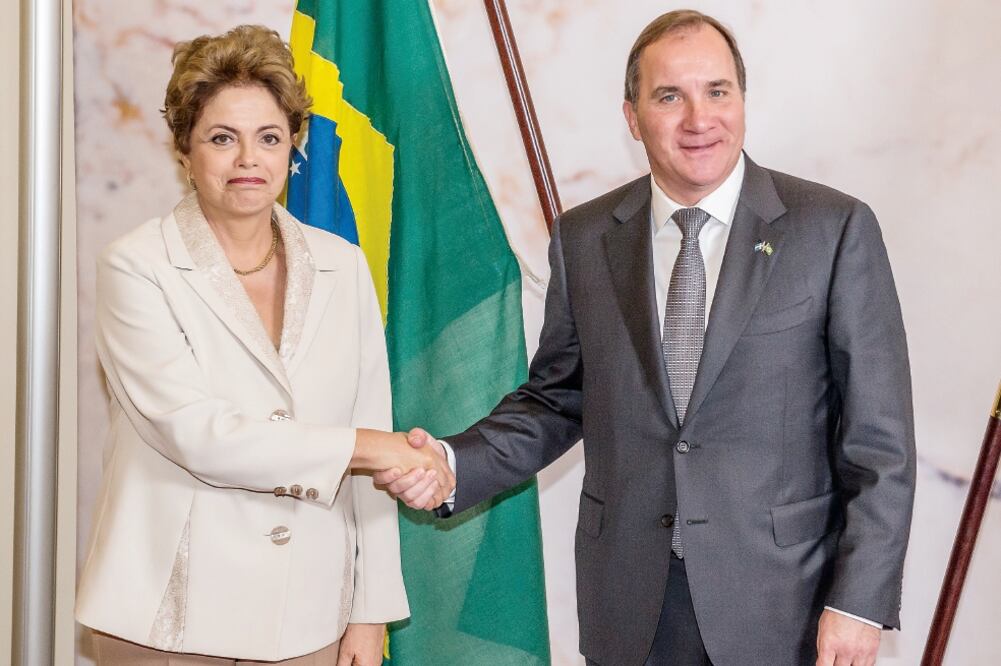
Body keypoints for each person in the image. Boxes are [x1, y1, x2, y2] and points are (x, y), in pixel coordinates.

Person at [377, 10, 915, 666]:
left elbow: (880, 444)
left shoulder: (831, 230)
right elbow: (557, 400)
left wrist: (857, 602)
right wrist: (455, 463)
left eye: (716, 91)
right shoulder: (585, 238)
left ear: (742, 100)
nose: (698, 119)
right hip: (632, 604)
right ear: (631, 117)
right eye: (669, 96)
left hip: (785, 604)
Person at [75, 25, 453, 665]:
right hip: (168, 623)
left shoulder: (342, 265)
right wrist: (372, 448)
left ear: (294, 148)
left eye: (270, 138)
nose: (249, 159)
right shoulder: (136, 266)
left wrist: (370, 613)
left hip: (309, 622)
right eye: (223, 138)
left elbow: (369, 430)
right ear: (184, 150)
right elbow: (199, 436)